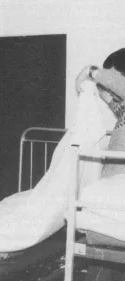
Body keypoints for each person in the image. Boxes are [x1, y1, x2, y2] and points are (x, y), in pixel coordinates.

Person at [76, 48, 125, 281]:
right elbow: (118, 104)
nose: (110, 84)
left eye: (113, 78)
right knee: (104, 268)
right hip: (111, 204)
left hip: (118, 203)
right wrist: (99, 92)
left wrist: (92, 71)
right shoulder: (123, 112)